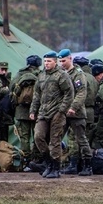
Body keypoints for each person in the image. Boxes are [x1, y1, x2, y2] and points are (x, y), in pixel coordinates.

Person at [30, 51, 74, 179]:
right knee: (38, 136)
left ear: (55, 62)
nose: (46, 63)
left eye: (49, 61)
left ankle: (55, 168)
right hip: (43, 112)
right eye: (45, 61)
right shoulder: (41, 75)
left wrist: (62, 110)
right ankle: (48, 162)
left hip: (57, 113)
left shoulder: (62, 75)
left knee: (55, 140)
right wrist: (33, 110)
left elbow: (69, 93)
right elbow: (36, 95)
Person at [58, 49, 93, 176]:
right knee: (57, 137)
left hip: (76, 113)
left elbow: (81, 93)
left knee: (81, 139)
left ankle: (87, 166)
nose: (62, 63)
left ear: (70, 59)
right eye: (60, 61)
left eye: (64, 60)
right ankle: (58, 164)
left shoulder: (78, 74)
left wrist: (73, 107)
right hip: (62, 112)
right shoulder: (61, 73)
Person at [10, 55, 42, 170]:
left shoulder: (19, 74)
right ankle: (37, 160)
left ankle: (25, 161)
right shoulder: (41, 74)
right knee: (37, 136)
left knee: (24, 137)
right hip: (37, 110)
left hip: (21, 111)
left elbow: (11, 88)